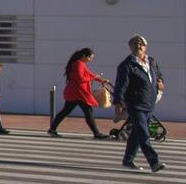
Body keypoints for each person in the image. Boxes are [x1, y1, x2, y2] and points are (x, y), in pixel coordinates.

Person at [113, 34, 166, 173]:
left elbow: (159, 76)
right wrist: (118, 103)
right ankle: (154, 162)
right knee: (144, 134)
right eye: (135, 44)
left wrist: (161, 83)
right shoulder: (127, 65)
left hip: (150, 103)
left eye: (141, 44)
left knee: (136, 134)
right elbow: (120, 85)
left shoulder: (152, 62)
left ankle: (128, 160)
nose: (138, 46)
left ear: (146, 47)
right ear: (130, 47)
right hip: (135, 105)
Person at [49, 48, 111, 139]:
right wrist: (92, 79)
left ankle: (52, 129)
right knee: (87, 112)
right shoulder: (78, 64)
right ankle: (97, 133)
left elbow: (90, 74)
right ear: (84, 56)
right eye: (90, 57)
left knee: (66, 111)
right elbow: (80, 78)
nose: (91, 60)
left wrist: (100, 80)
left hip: (76, 93)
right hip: (78, 93)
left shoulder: (80, 64)